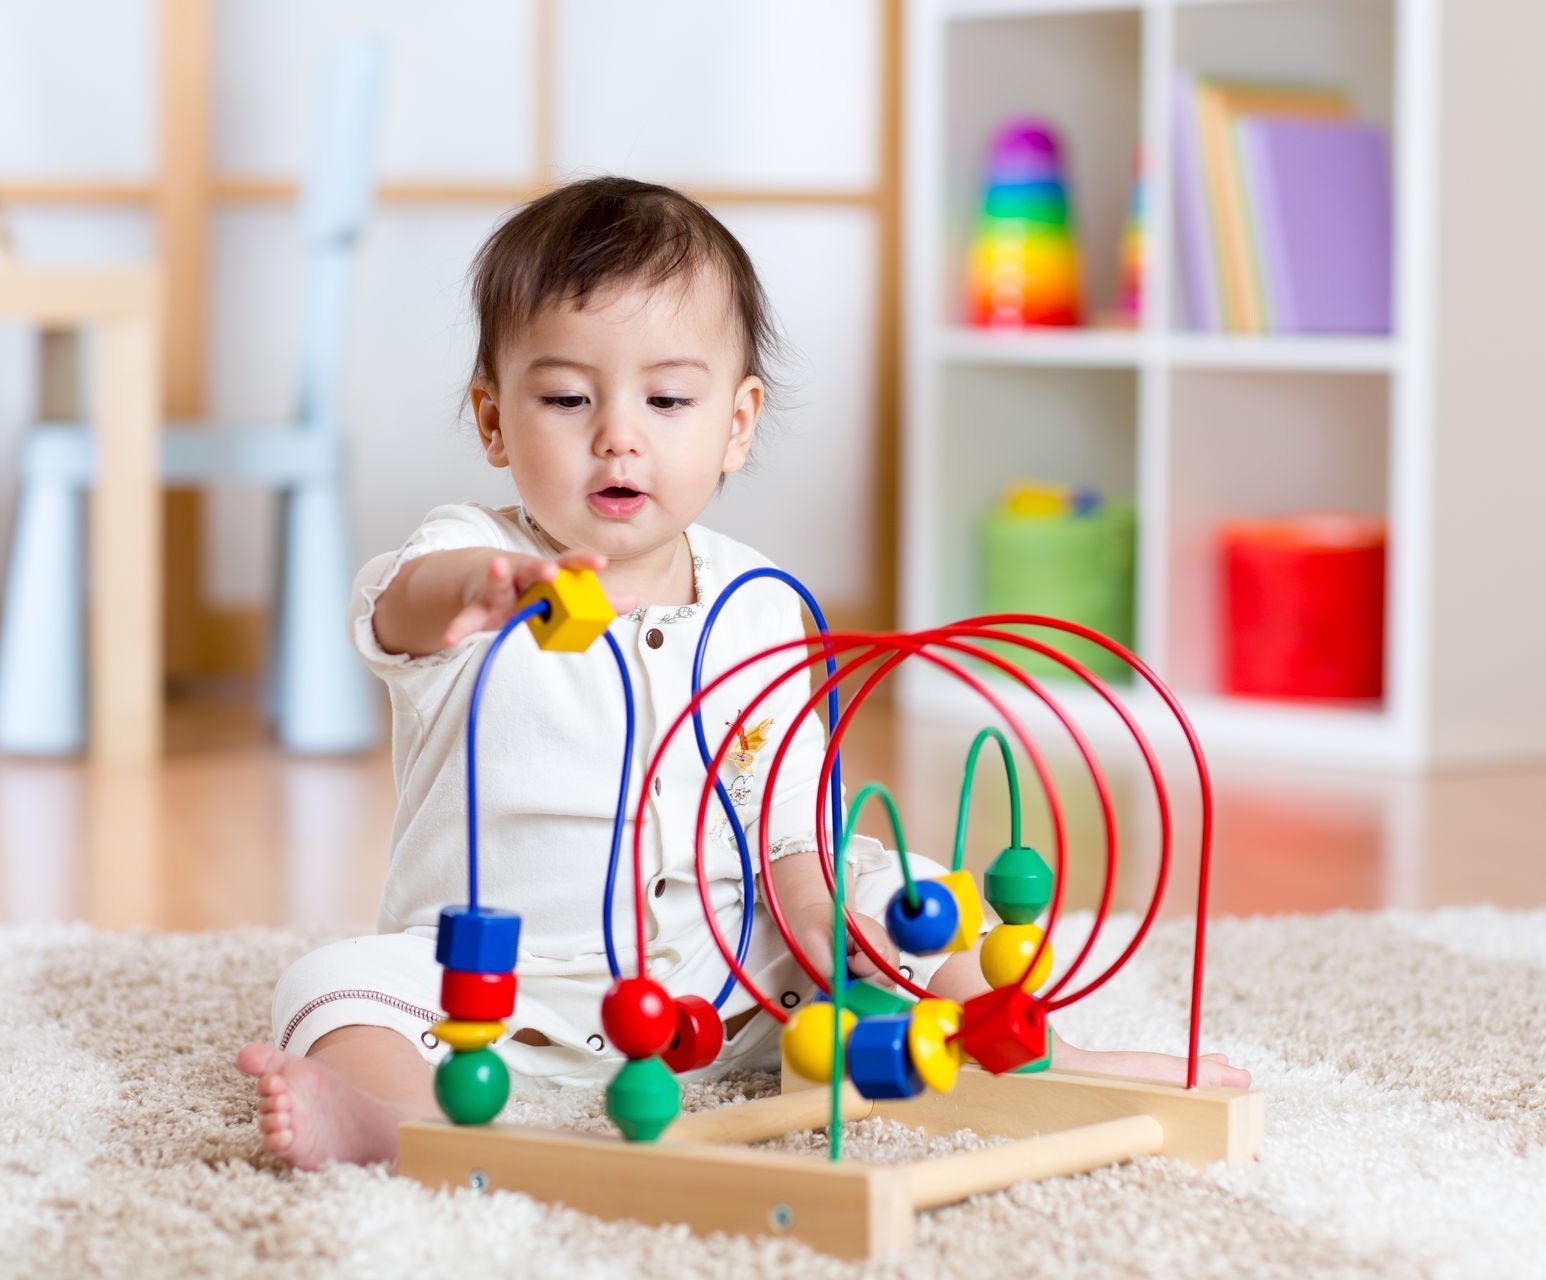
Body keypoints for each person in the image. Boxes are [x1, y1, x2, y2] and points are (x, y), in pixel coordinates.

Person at [237, 176, 1249, 1169]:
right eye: (565, 396)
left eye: (669, 397)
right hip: (502, 993)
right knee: (336, 983)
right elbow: (400, 603)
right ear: (494, 418)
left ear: (737, 422)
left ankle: (1044, 1057)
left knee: (910, 891)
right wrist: (486, 589)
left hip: (731, 988)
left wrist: (814, 915)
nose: (618, 433)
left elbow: (791, 817)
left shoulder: (761, 603)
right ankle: (396, 1122)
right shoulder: (470, 557)